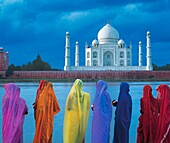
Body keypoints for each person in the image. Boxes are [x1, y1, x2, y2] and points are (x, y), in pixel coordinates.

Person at [63, 79, 90, 143]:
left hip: (73, 117)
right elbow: (87, 107)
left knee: (72, 135)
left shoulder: (71, 96)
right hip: (81, 117)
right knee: (81, 133)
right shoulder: (86, 96)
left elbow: (68, 107)